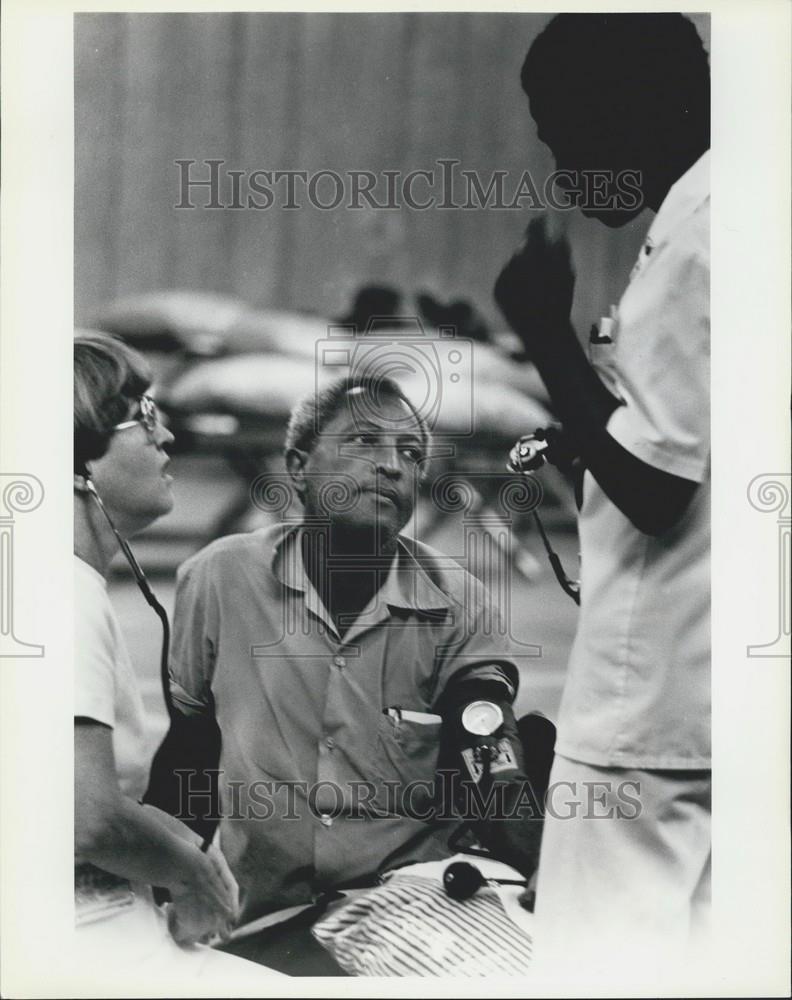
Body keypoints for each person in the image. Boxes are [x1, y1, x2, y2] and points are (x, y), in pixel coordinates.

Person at [161, 373, 541, 929]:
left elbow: (485, 746)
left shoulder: (459, 601)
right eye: (364, 442)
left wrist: (541, 866)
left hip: (411, 911)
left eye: (410, 453)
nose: (391, 464)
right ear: (297, 466)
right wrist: (164, 887)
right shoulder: (219, 579)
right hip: (261, 918)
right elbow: (188, 750)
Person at [493, 13, 711, 979]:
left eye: (565, 136)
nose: (563, 176)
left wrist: (544, 335)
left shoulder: (699, 249)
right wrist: (587, 437)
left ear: (639, 111)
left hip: (649, 717)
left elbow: (660, 491)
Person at [73, 332, 279, 990]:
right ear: (77, 456)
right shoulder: (60, 594)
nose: (169, 441)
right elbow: (86, 818)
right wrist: (191, 870)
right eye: (145, 417)